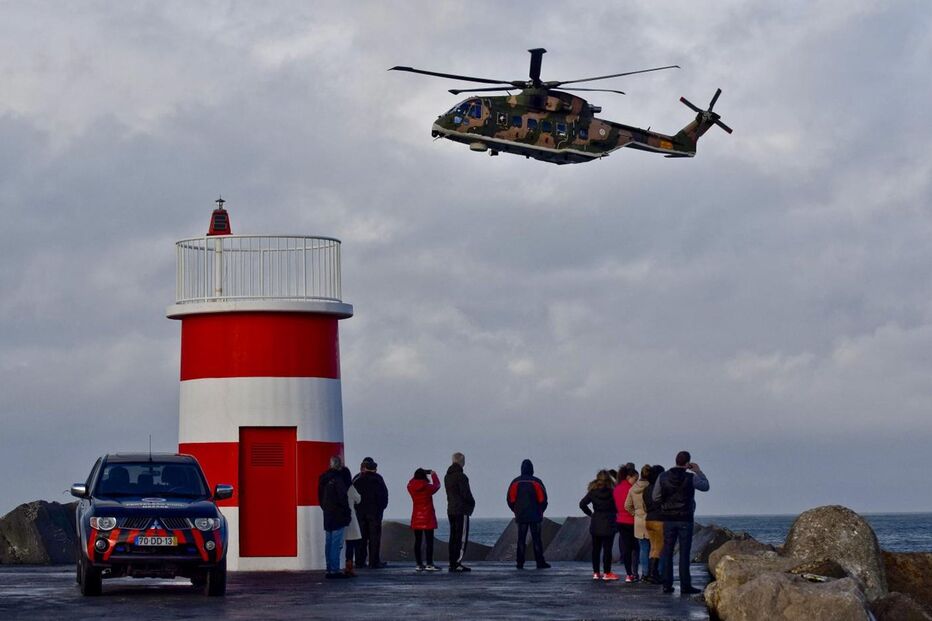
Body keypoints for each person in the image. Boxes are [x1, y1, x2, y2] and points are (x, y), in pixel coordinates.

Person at [652, 451, 710, 594]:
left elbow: (655, 497)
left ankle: (667, 584)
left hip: (668, 518)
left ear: (676, 460)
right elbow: (705, 486)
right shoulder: (691, 477)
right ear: (687, 463)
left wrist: (665, 505)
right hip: (685, 518)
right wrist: (698, 471)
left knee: (667, 551)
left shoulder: (663, 476)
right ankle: (685, 585)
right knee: (684, 553)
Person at [506, 459, 551, 570]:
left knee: (521, 539)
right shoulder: (537, 482)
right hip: (535, 514)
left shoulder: (515, 482)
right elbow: (543, 500)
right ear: (532, 469)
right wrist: (541, 511)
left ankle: (520, 563)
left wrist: (515, 511)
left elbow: (510, 500)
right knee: (537, 539)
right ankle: (540, 562)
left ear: (521, 469)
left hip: (521, 515)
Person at [579, 469, 619, 581]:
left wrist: (590, 514)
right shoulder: (613, 492)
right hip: (609, 522)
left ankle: (596, 573)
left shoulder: (593, 492)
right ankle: (607, 572)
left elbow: (582, 504)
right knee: (607, 549)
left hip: (596, 522)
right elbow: (618, 505)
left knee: (596, 549)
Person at [318, 456, 351, 579]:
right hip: (338, 514)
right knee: (336, 543)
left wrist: (326, 508)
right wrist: (347, 513)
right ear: (339, 465)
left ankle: (329, 568)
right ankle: (334, 569)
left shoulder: (323, 478)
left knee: (329, 542)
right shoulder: (338, 479)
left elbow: (320, 497)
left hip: (327, 513)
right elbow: (343, 497)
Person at [353, 456, 389, 569]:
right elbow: (384, 496)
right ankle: (374, 562)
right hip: (375, 513)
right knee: (374, 538)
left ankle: (359, 561)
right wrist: (381, 508)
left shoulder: (357, 479)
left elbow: (351, 495)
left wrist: (356, 508)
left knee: (361, 538)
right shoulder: (378, 479)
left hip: (360, 513)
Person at [444, 452, 475, 572]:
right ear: (462, 462)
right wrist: (472, 503)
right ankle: (457, 562)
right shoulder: (461, 477)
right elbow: (466, 494)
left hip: (451, 509)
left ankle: (452, 562)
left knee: (453, 536)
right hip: (461, 510)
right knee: (461, 537)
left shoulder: (447, 476)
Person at [407, 467, 441, 571]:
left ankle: (419, 564)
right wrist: (433, 474)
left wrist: (418, 474)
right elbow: (437, 485)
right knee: (429, 542)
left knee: (418, 541)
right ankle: (429, 564)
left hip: (416, 516)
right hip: (428, 517)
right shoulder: (427, 487)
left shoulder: (411, 487)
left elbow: (410, 482)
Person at [624, 465, 652, 582]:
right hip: (651, 519)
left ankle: (644, 573)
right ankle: (652, 572)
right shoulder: (651, 487)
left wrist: (635, 514)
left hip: (639, 521)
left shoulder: (633, 488)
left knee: (643, 548)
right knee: (653, 548)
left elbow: (627, 505)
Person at [614, 464, 640, 582]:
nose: (636, 482)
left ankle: (628, 574)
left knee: (626, 548)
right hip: (632, 520)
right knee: (636, 548)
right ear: (629, 477)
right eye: (635, 479)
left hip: (620, 520)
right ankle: (634, 572)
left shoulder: (617, 488)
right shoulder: (632, 489)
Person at [642, 464, 666, 585]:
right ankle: (653, 574)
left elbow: (644, 506)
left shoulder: (646, 489)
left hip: (649, 519)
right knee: (659, 548)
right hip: (659, 519)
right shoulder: (661, 489)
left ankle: (652, 573)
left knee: (653, 547)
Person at [342, 466, 362, 577]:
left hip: (338, 517)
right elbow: (358, 499)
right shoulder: (350, 487)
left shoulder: (337, 485)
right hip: (350, 518)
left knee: (335, 543)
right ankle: (349, 566)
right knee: (350, 544)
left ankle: (333, 566)